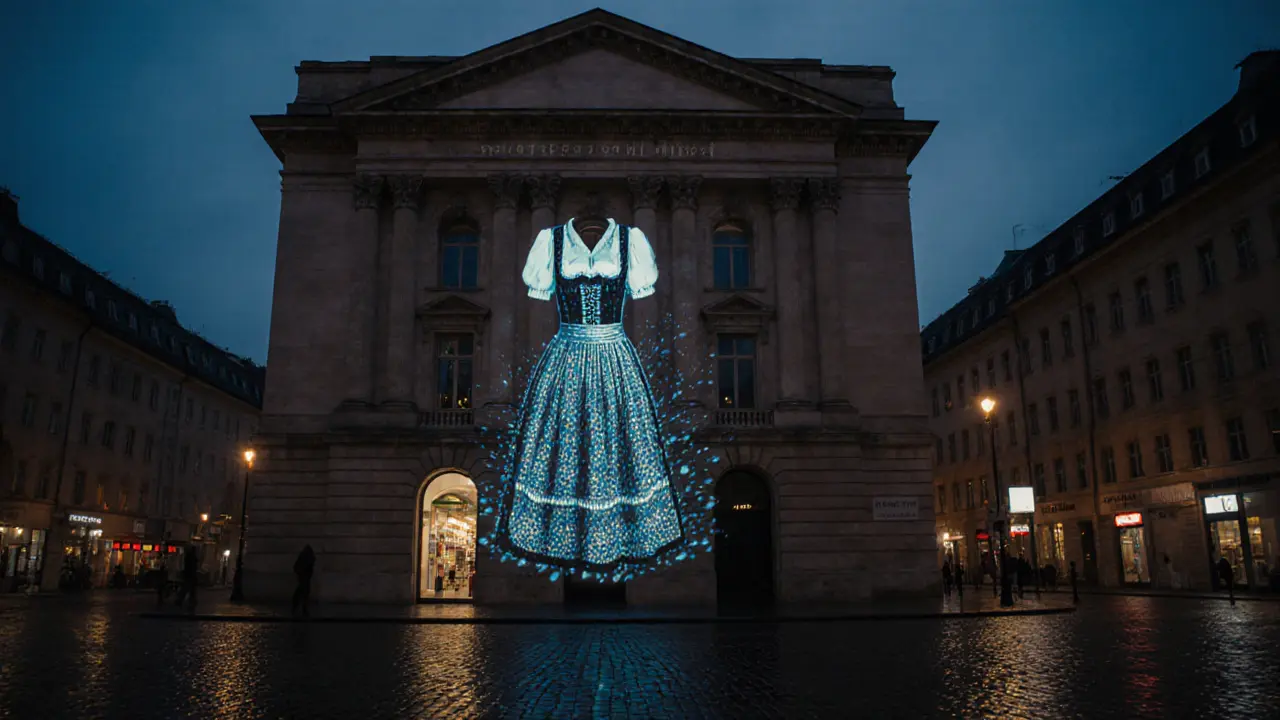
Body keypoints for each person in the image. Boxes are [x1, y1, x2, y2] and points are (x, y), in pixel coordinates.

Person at [495, 218, 683, 573]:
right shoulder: (551, 242)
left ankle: (616, 538)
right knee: (562, 442)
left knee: (622, 441)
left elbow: (642, 287)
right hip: (567, 352)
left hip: (614, 353)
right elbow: (540, 288)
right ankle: (558, 536)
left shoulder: (629, 240)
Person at [292, 544, 315, 619]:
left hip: (303, 579)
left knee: (300, 594)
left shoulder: (303, 558)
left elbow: (296, 567)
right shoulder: (309, 559)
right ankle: (303, 610)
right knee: (304, 595)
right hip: (305, 579)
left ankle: (298, 609)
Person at [174, 546, 199, 612]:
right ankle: (190, 602)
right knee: (189, 590)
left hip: (189, 576)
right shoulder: (192, 557)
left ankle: (181, 601)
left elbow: (187, 567)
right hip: (191, 576)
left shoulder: (188, 557)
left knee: (186, 589)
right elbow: (193, 567)